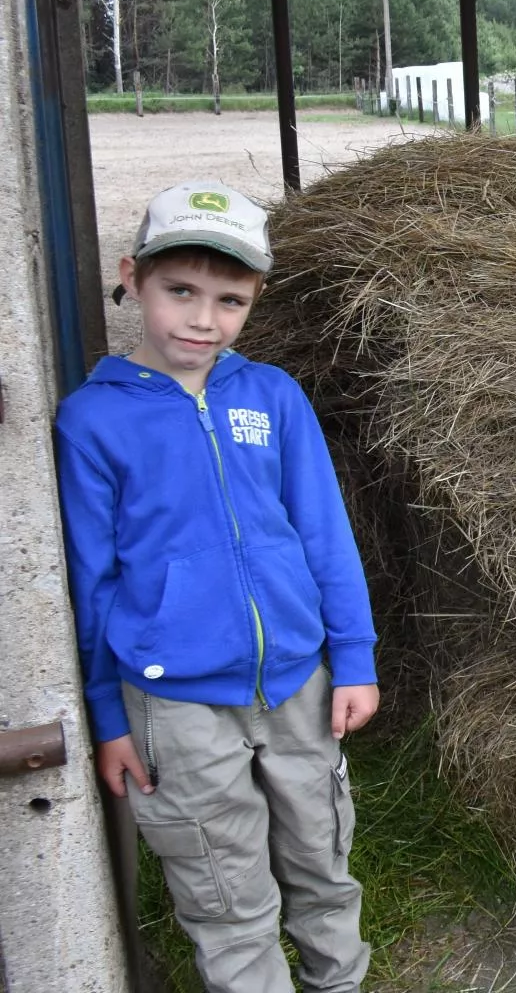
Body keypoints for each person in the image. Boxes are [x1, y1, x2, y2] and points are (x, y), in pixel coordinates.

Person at [56, 181, 379, 993]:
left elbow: (324, 535)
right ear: (132, 276)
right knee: (222, 881)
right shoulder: (92, 422)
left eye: (229, 300)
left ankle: (338, 980)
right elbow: (91, 583)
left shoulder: (273, 396)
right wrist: (108, 717)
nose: (202, 320)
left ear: (255, 301)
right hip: (174, 704)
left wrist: (355, 655)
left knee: (321, 852)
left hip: (299, 680)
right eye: (180, 291)